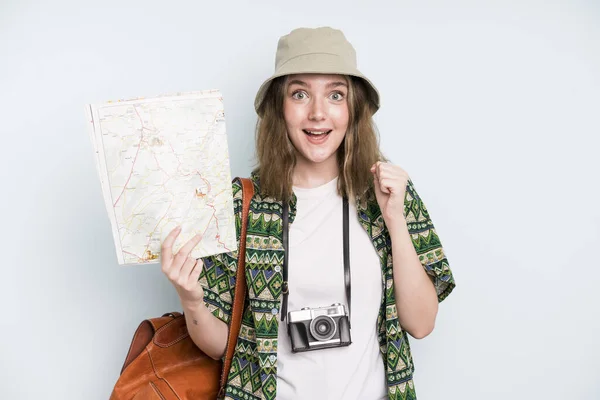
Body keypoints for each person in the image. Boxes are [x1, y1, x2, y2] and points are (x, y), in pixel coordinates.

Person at [160, 27, 456, 400]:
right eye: (299, 94)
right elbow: (221, 346)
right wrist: (190, 299)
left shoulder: (388, 192)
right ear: (279, 108)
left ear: (354, 109)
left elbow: (421, 324)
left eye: (336, 95)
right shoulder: (242, 204)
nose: (317, 113)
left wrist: (395, 220)